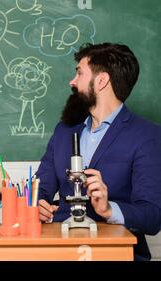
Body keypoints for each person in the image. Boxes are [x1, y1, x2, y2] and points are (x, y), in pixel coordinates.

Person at [36, 43, 161, 260]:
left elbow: (152, 217)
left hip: (114, 253)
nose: (72, 81)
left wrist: (109, 209)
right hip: (59, 250)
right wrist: (38, 205)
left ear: (101, 81)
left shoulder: (147, 136)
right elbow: (41, 186)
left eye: (79, 73)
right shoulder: (64, 130)